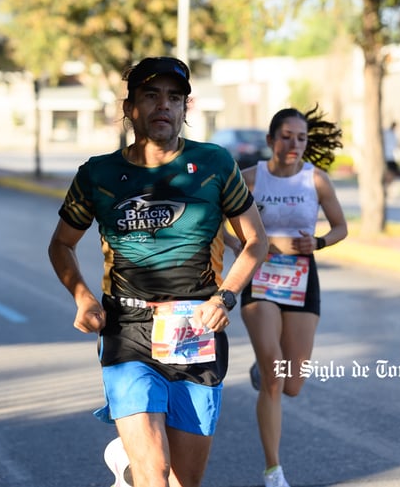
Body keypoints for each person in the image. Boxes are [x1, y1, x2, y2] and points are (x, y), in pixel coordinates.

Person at [47, 56, 268, 487]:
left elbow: (256, 241)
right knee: (156, 474)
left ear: (186, 109)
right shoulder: (99, 174)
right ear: (130, 108)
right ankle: (139, 468)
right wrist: (83, 296)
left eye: (174, 97)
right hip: (127, 327)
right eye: (151, 95)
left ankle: (126, 466)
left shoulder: (215, 164)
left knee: (185, 480)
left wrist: (227, 296)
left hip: (196, 330)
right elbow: (61, 244)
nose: (163, 105)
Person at [234, 105, 347, 487]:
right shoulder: (250, 179)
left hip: (301, 278)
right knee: (274, 378)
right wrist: (239, 245)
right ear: (270, 140)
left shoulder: (317, 181)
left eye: (301, 138)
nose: (294, 144)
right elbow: (219, 220)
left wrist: (317, 241)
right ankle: (273, 470)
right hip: (260, 278)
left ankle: (264, 367)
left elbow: (341, 227)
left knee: (292, 382)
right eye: (286, 137)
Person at [383, 121, 399, 189]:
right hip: (387, 156)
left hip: (391, 156)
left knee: (393, 171)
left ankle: (387, 184)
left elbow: (395, 146)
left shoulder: (393, 134)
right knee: (390, 171)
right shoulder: (387, 133)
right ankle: (386, 183)